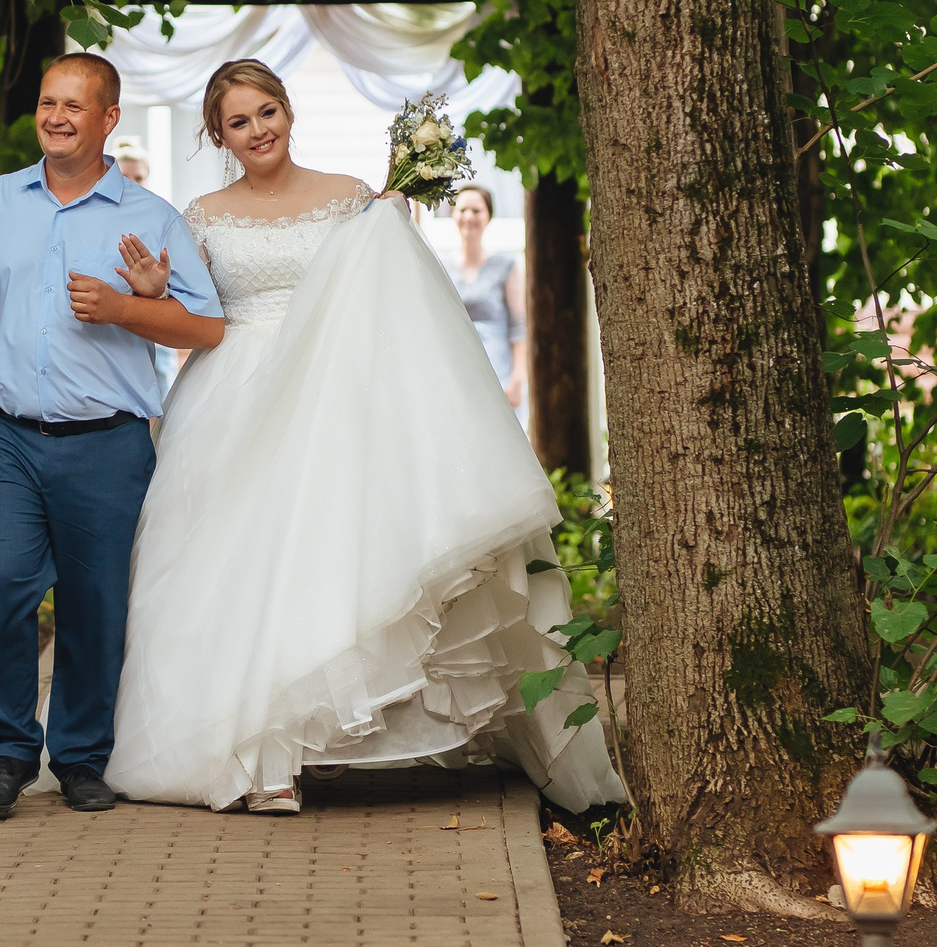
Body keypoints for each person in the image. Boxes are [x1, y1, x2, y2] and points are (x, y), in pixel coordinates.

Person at [103, 58, 626, 816]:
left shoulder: (354, 197)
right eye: (239, 121)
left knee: (322, 563)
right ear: (218, 134)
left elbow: (393, 305)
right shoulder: (203, 215)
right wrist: (152, 293)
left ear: (288, 112)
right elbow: (195, 318)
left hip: (329, 398)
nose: (258, 130)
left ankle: (317, 734)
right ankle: (258, 759)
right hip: (232, 396)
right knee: (232, 569)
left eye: (267, 111)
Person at [0, 53, 224, 819]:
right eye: (48, 101)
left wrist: (127, 308)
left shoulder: (149, 217)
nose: (57, 116)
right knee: (5, 582)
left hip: (109, 441)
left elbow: (206, 326)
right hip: (9, 435)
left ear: (109, 118)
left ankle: (79, 756)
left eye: (76, 105)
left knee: (95, 603)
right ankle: (11, 751)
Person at [446, 186, 527, 424]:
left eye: (476, 210)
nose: (469, 216)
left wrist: (518, 378)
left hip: (497, 373)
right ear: (453, 215)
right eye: (462, 210)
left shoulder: (506, 265)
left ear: (488, 217)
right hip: (456, 370)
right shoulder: (441, 266)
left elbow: (518, 325)